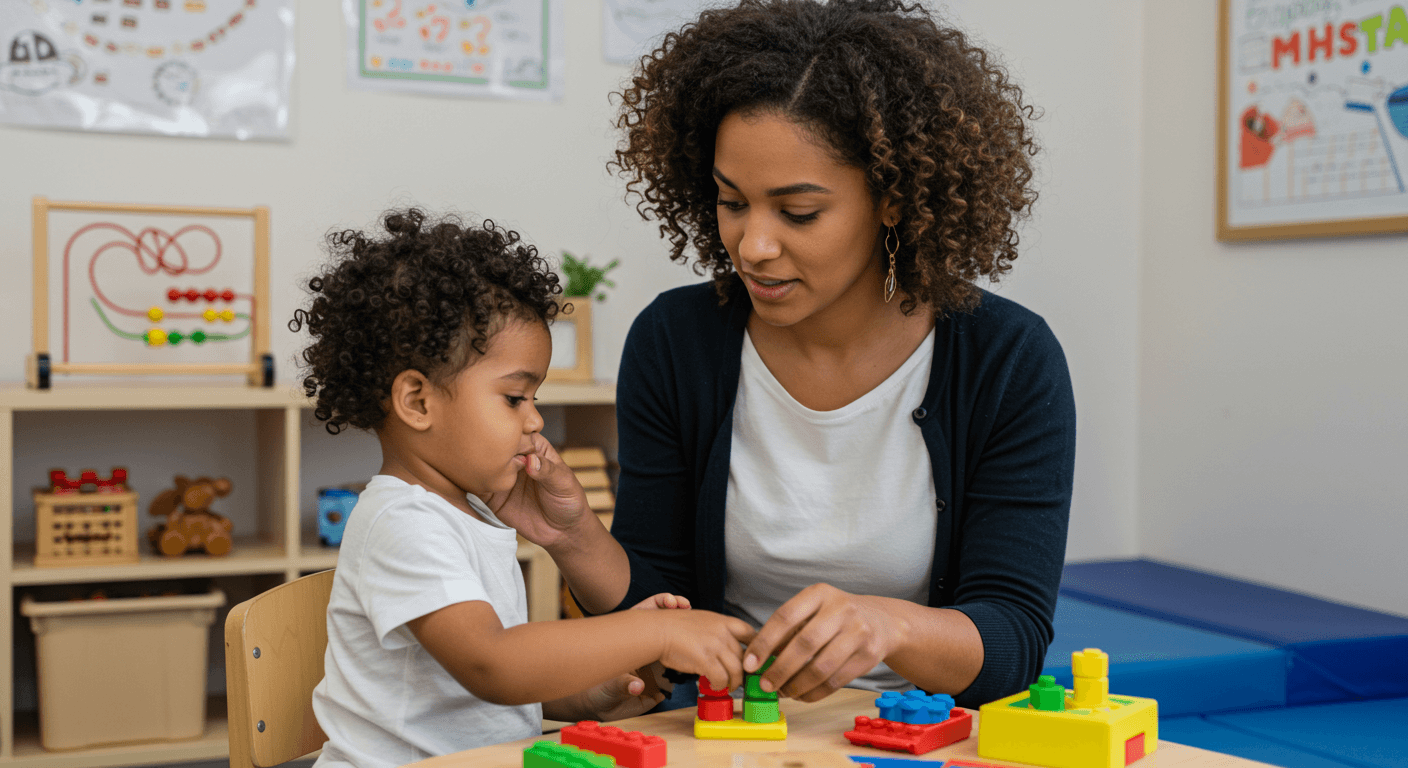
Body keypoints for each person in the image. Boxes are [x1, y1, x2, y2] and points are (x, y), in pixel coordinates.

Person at [540, 0, 1076, 710]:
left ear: (893, 199)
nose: (753, 246)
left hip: (918, 735)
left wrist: (887, 624)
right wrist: (576, 537)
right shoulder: (676, 342)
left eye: (798, 213)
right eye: (732, 202)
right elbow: (654, 616)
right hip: (725, 732)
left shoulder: (1006, 358)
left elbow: (1012, 639)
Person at [291, 209, 755, 768]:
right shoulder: (403, 521)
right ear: (417, 401)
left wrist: (591, 694)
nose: (534, 421)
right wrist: (654, 631)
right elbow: (493, 664)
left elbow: (478, 693)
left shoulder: (470, 514)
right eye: (515, 398)